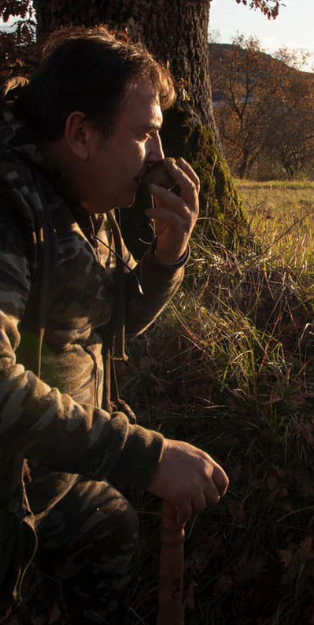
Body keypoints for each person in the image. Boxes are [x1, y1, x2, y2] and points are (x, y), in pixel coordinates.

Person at [0, 25, 229, 624]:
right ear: (80, 133)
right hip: (5, 498)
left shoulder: (89, 199)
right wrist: (145, 457)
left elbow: (117, 315)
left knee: (110, 526)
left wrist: (168, 254)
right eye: (145, 134)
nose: (160, 155)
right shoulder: (8, 205)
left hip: (57, 482)